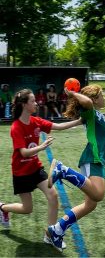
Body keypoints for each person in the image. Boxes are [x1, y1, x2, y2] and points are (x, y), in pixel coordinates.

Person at [0, 89, 82, 248]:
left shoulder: (36, 121)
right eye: (32, 101)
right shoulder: (16, 127)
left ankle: (50, 234)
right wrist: (41, 147)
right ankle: (3, 208)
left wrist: (78, 121)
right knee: (27, 208)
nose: (36, 102)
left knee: (53, 195)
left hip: (35, 168)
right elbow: (23, 152)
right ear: (24, 105)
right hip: (21, 172)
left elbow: (58, 126)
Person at [45, 84, 105, 252]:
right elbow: (87, 103)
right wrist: (72, 93)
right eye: (102, 95)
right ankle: (62, 170)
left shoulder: (96, 115)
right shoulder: (90, 110)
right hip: (93, 158)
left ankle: (56, 231)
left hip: (97, 157)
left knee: (90, 204)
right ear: (93, 99)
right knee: (98, 195)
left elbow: (95, 136)